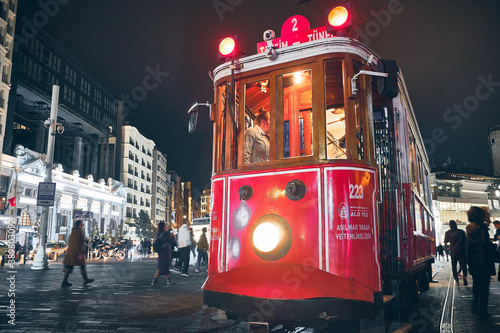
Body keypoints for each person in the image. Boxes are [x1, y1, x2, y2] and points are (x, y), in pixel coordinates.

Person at [466, 206, 496, 317]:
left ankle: (475, 305)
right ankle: (483, 309)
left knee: (476, 284)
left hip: (473, 259)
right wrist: (493, 247)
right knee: (484, 286)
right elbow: (485, 242)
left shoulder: (469, 227)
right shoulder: (481, 227)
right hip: (483, 259)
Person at [62, 220, 94, 287]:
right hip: (76, 252)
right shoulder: (77, 232)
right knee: (79, 265)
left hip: (73, 252)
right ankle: (85, 279)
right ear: (79, 224)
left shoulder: (75, 231)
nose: (82, 225)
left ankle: (65, 280)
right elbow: (77, 243)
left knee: (70, 266)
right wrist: (79, 252)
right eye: (81, 224)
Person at [444, 220, 468, 286]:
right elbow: (466, 241)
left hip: (453, 251)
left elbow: (446, 242)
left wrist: (448, 248)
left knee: (454, 266)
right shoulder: (461, 232)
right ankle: (464, 277)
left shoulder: (448, 233)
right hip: (461, 251)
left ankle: (457, 281)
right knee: (463, 265)